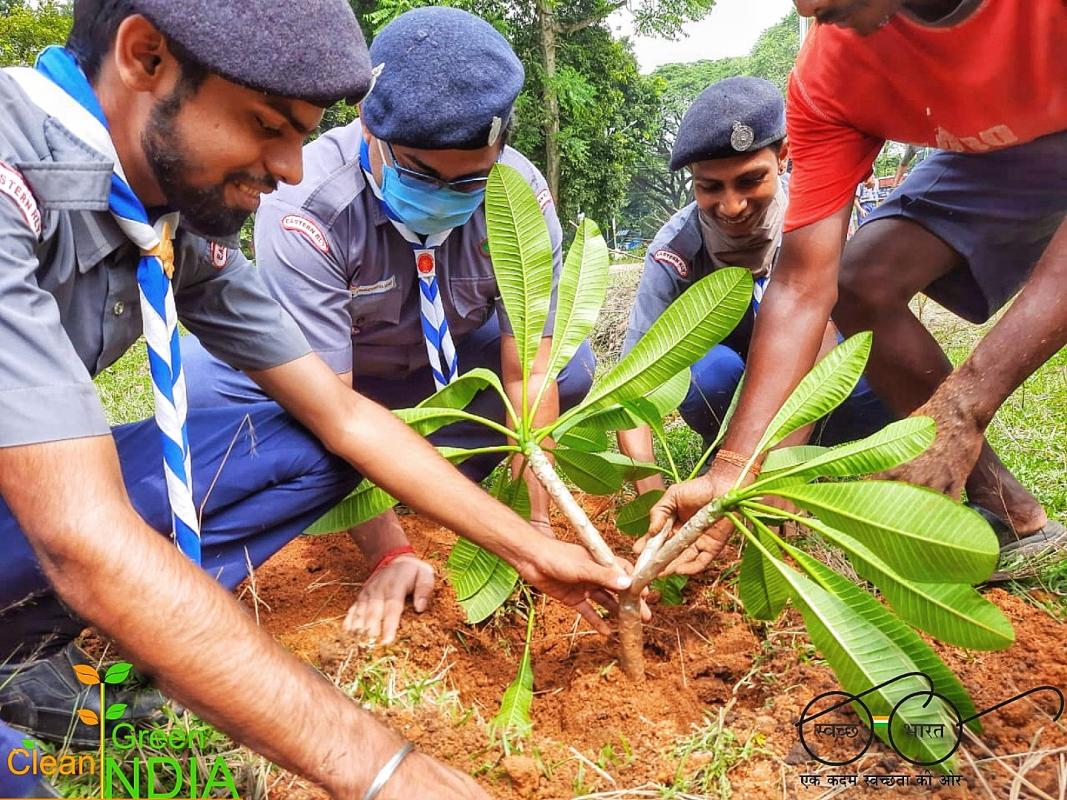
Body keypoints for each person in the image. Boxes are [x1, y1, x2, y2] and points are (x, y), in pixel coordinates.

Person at [0, 1, 636, 796]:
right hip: (49, 518)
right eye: (267, 125)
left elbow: (341, 414)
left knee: (301, 445)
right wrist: (385, 771)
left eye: (302, 134)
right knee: (22, 781)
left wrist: (527, 546)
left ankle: (22, 654)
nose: (292, 170)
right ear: (144, 57)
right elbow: (79, 534)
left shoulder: (167, 214)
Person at [181, 6, 597, 647]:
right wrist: (390, 553)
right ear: (371, 133)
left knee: (568, 367)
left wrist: (531, 529)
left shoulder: (519, 195)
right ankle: (388, 495)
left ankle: (447, 482)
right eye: (423, 174)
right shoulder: (306, 205)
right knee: (232, 409)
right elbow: (334, 410)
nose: (450, 196)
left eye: (472, 181)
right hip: (329, 383)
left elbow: (528, 371)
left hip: (440, 380)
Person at [649, 0, 1067, 575]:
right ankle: (1011, 511)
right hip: (983, 152)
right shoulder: (829, 72)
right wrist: (737, 467)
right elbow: (802, 288)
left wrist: (963, 408)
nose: (805, 6)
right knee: (860, 279)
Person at [617, 77, 890, 503]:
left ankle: (793, 458)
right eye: (710, 187)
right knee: (708, 373)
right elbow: (633, 383)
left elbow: (827, 342)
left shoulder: (822, 218)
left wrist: (773, 474)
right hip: (730, 398)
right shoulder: (675, 251)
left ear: (783, 157)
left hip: (822, 391)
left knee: (884, 380)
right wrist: (650, 497)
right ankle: (728, 453)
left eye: (749, 181)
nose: (731, 205)